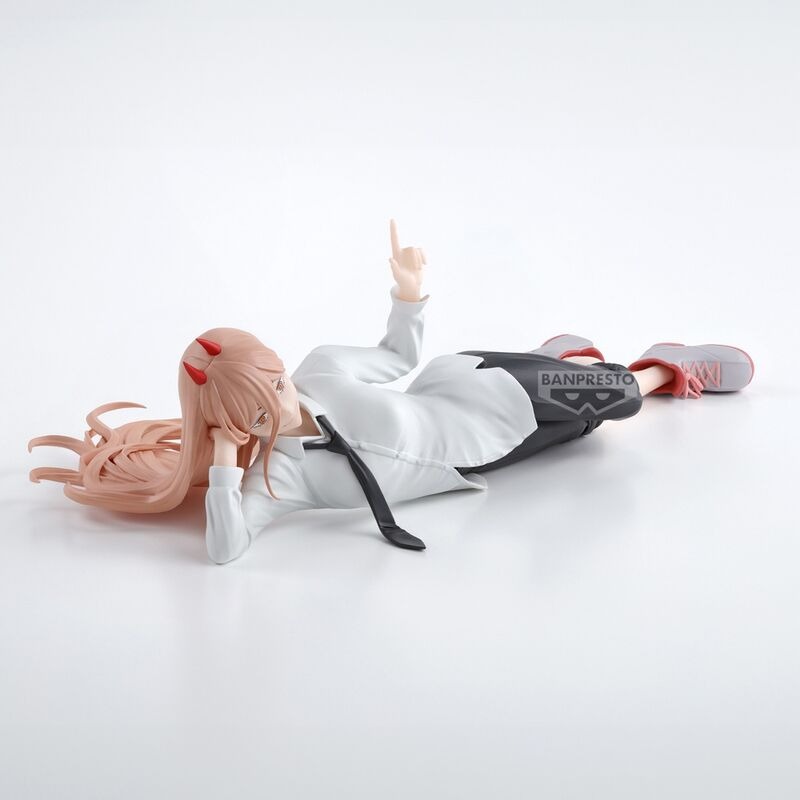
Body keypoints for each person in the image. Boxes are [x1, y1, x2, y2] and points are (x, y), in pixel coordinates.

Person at [29, 221, 754, 564]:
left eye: (276, 374)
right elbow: (224, 551)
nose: (283, 393)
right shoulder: (275, 482)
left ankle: (664, 366)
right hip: (486, 448)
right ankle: (559, 356)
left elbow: (396, 356)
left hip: (477, 386)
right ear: (232, 422)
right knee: (582, 430)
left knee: (618, 398)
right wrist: (221, 468)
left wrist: (409, 294)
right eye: (262, 397)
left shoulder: (320, 369)